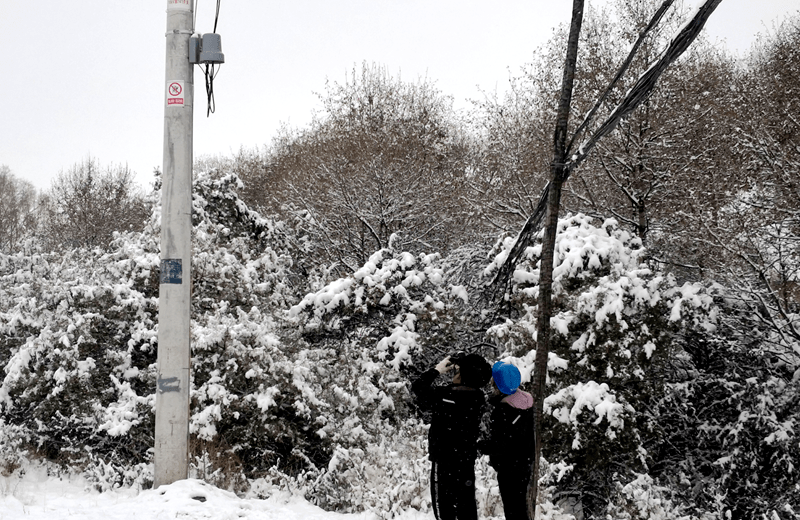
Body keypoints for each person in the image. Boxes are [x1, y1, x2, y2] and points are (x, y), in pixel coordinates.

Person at [412, 353, 492, 520]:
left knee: (444, 510)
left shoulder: (445, 396)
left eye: (457, 371)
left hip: (443, 462)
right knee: (466, 507)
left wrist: (437, 370)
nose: (454, 373)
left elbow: (418, 387)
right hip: (465, 461)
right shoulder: (478, 398)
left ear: (464, 375)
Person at [484, 361, 534, 520]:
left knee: (512, 509)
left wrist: (481, 445)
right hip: (524, 464)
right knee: (519, 507)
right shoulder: (526, 404)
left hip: (508, 467)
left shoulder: (502, 411)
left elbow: (500, 443)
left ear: (498, 385)